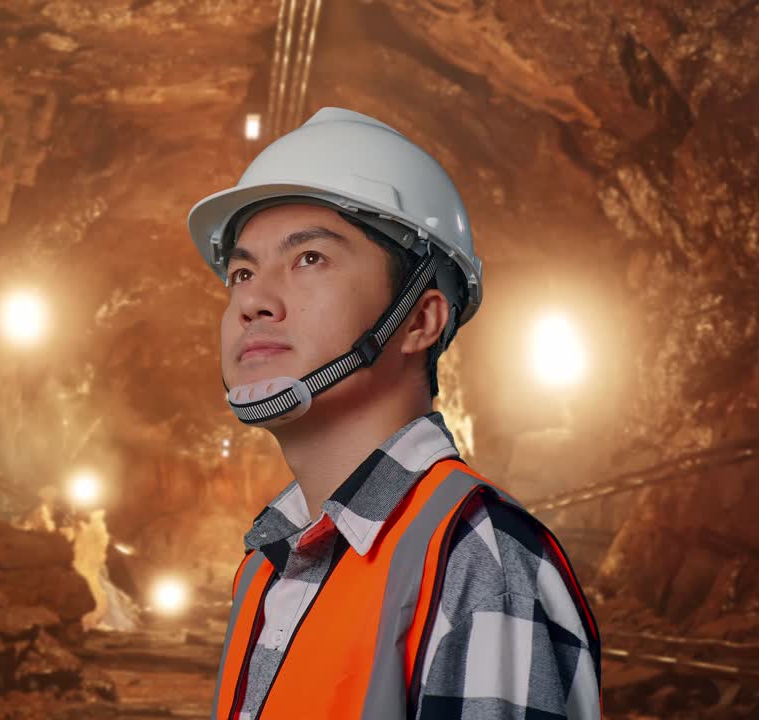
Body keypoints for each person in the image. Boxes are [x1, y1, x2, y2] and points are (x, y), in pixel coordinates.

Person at [186, 107, 601, 720]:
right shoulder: (264, 567)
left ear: (419, 319)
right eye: (242, 271)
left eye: (309, 260)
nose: (252, 299)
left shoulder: (476, 557)